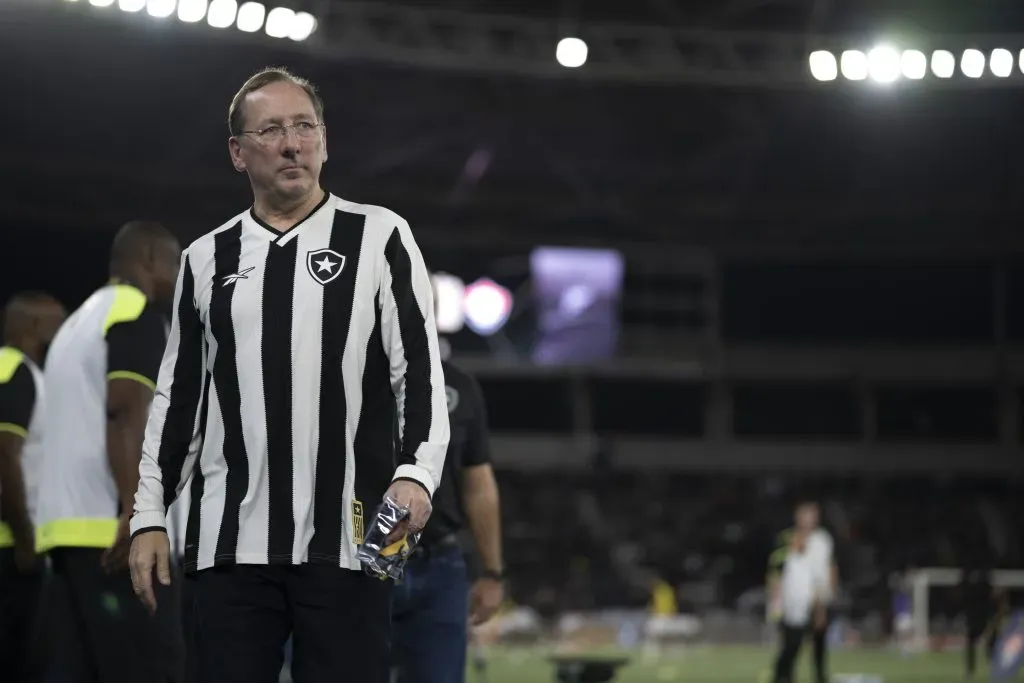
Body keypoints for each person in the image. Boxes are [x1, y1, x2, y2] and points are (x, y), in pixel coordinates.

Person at [128, 67, 449, 683]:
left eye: (305, 126)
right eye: (271, 130)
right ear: (237, 152)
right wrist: (148, 514)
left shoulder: (380, 235)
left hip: (357, 537)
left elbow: (419, 369)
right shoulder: (204, 258)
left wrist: (416, 474)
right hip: (227, 545)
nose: (292, 144)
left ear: (325, 141)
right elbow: (178, 402)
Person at [34, 220, 184, 683]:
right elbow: (124, 409)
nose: (179, 275)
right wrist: (138, 512)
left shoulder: (75, 324)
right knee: (153, 668)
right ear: (150, 259)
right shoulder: (133, 312)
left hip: (66, 534)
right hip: (113, 534)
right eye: (175, 263)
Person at [391, 348, 503, 683]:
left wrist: (493, 572)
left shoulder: (457, 385)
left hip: (439, 562)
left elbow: (478, 483)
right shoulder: (353, 374)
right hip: (364, 560)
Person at [0, 291, 65, 683]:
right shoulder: (16, 372)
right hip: (10, 548)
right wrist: (25, 538)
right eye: (57, 323)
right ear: (35, 326)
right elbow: (5, 456)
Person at [767, 500, 835, 683]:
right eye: (806, 514)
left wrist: (827, 595)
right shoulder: (786, 538)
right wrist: (775, 597)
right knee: (793, 641)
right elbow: (776, 568)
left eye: (813, 515)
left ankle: (820, 676)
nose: (811, 519)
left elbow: (828, 567)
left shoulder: (822, 540)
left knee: (819, 639)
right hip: (792, 597)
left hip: (817, 595)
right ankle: (782, 675)